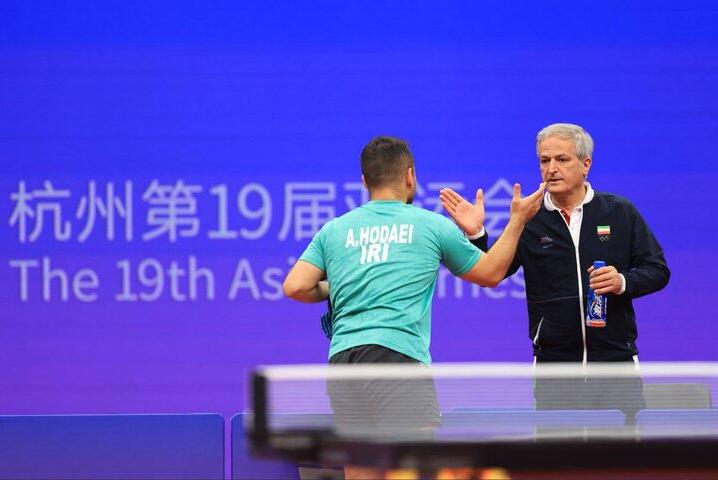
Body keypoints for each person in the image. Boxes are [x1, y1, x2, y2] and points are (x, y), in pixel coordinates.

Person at [283, 135, 544, 479]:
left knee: (360, 474)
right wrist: (517, 221)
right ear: (410, 176)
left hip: (343, 363)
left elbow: (295, 286)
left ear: (364, 181)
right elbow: (492, 272)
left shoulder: (334, 230)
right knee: (417, 468)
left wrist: (344, 283)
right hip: (397, 361)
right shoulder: (430, 225)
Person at [440, 123, 670, 419]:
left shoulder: (619, 212)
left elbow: (658, 270)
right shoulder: (529, 219)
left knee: (624, 447)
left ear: (586, 164)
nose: (551, 169)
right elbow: (492, 271)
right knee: (557, 448)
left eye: (562, 159)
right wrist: (476, 234)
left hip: (616, 363)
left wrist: (622, 281)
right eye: (544, 160)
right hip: (554, 368)